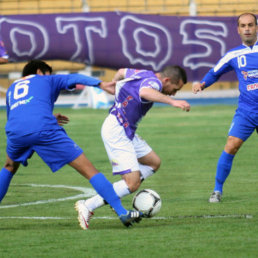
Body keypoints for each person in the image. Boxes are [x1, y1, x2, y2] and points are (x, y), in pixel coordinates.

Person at [0, 59, 143, 229]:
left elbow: (18, 115)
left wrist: (49, 117)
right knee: (89, 170)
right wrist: (101, 84)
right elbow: (75, 77)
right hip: (44, 129)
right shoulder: (46, 79)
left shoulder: (11, 89)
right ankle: (122, 212)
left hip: (15, 131)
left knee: (9, 166)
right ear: (40, 71)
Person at [75, 65, 191, 228]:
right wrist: (173, 101)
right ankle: (88, 205)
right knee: (132, 184)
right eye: (175, 89)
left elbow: (121, 71)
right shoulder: (155, 83)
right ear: (166, 80)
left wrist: (114, 84)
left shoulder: (144, 73)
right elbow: (144, 92)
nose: (174, 93)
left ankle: (116, 194)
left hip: (125, 128)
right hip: (117, 130)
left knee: (153, 162)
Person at [192, 13, 258, 203]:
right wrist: (202, 84)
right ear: (238, 30)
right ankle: (217, 190)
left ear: (256, 27)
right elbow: (215, 72)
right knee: (231, 145)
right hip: (246, 112)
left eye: (250, 25)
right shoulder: (233, 54)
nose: (247, 28)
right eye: (243, 25)